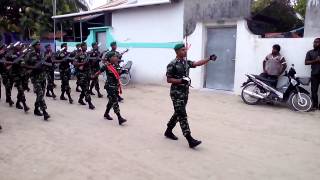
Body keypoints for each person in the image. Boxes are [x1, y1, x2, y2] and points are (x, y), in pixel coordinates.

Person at [165, 43, 217, 148]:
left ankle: (168, 131)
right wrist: (181, 80)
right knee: (182, 115)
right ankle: (190, 139)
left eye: (185, 49)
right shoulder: (172, 64)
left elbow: (197, 63)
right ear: (177, 52)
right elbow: (169, 79)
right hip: (176, 93)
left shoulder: (186, 62)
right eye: (183, 50)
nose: (185, 51)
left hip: (185, 92)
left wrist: (209, 59)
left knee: (178, 113)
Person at [94, 51, 127, 125]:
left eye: (116, 56)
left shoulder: (117, 64)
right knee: (115, 101)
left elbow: (119, 72)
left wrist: (123, 70)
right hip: (109, 87)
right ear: (110, 58)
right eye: (114, 56)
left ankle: (106, 114)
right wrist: (93, 76)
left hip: (115, 86)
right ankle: (119, 118)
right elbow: (99, 72)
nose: (116, 57)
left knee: (111, 101)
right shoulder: (107, 65)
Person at [25, 40, 50, 120]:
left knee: (41, 95)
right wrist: (33, 68)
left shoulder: (42, 53)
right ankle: (44, 112)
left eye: (40, 44)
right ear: (34, 45)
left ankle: (36, 109)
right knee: (40, 93)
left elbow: (44, 62)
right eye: (38, 44)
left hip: (42, 76)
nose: (39, 45)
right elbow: (23, 64)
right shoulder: (29, 54)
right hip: (35, 77)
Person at [74, 42, 95, 109]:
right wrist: (82, 63)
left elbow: (89, 63)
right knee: (86, 89)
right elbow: (74, 63)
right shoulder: (78, 54)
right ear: (81, 47)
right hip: (81, 74)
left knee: (85, 88)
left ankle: (80, 99)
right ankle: (90, 103)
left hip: (87, 73)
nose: (86, 47)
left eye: (86, 46)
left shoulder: (87, 54)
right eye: (84, 46)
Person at [305, 38, 320, 110]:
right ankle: (315, 105)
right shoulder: (310, 52)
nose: (315, 44)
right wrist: (316, 60)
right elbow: (306, 62)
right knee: (314, 91)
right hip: (314, 74)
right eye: (314, 42)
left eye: (317, 42)